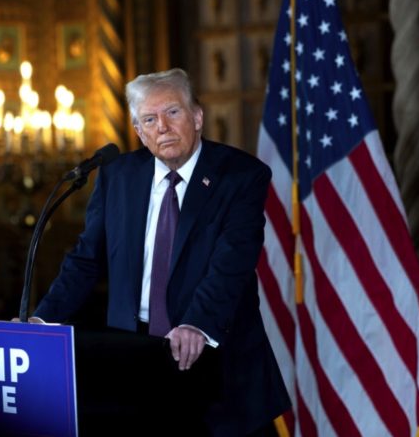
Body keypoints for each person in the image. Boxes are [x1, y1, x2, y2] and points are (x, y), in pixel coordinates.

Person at [32, 68, 291, 436]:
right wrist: (41, 323)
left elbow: (232, 263)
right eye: (149, 119)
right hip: (132, 361)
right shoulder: (117, 177)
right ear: (139, 131)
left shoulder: (241, 175)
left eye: (173, 112)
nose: (163, 127)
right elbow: (86, 260)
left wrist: (195, 324)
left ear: (197, 117)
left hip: (217, 363)